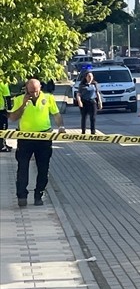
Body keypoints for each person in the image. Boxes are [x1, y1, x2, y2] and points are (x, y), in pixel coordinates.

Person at [9, 79, 67, 207]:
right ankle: (22, 195)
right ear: (26, 89)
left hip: (44, 137)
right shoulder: (19, 99)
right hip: (25, 138)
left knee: (43, 168)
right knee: (22, 167)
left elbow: (56, 114)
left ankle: (38, 195)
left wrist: (61, 126)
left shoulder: (48, 98)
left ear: (40, 88)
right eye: (31, 92)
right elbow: (13, 118)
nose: (34, 94)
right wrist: (24, 104)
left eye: (36, 91)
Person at [73, 70, 103, 135]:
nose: (90, 78)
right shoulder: (82, 85)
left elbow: (97, 93)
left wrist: (100, 102)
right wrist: (79, 102)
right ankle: (83, 131)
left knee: (93, 118)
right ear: (86, 77)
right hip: (84, 102)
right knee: (84, 117)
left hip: (92, 102)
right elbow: (78, 94)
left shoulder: (94, 84)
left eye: (91, 76)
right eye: (89, 76)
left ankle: (93, 131)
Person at [0, 80, 11, 152]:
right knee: (3, 128)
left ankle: (3, 144)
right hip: (1, 110)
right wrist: (9, 109)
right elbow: (7, 97)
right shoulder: (3, 82)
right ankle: (2, 146)